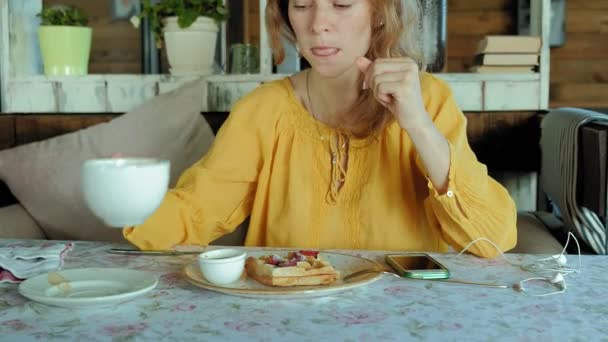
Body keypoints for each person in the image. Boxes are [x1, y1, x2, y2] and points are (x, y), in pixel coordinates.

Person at [123, 0, 517, 258]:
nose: (318, 25)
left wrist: (417, 123)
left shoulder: (429, 100)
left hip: (403, 319)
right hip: (287, 317)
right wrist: (124, 202)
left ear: (378, 12)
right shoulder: (263, 110)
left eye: (341, 4)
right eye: (302, 5)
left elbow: (492, 239)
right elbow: (196, 210)